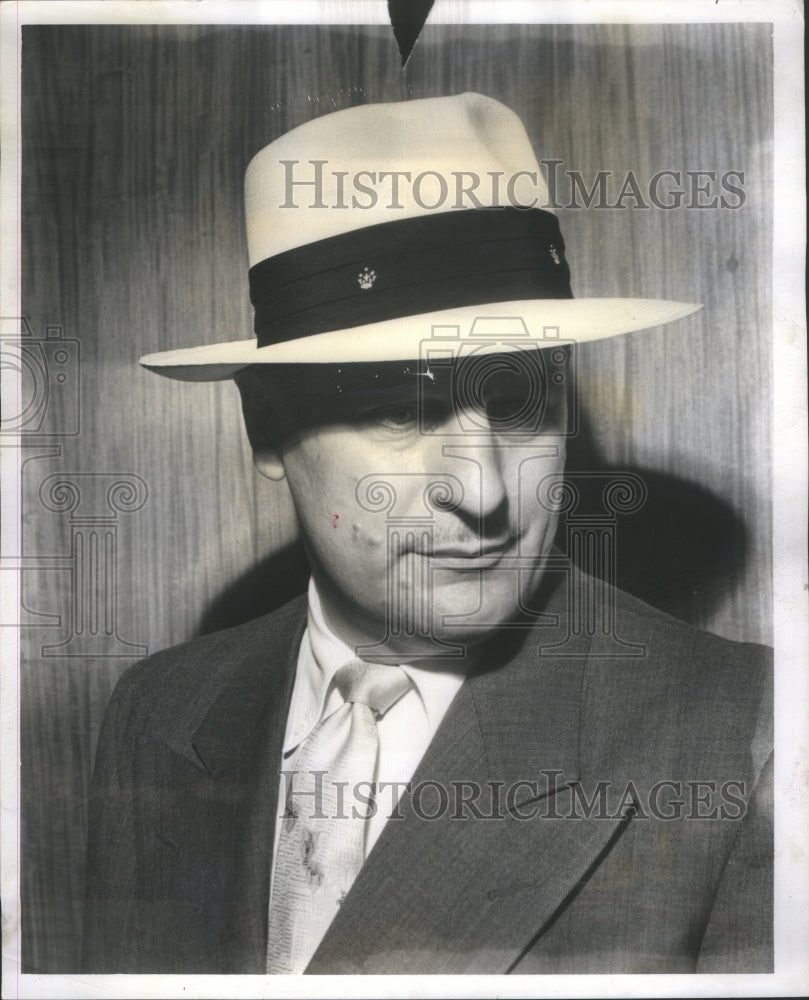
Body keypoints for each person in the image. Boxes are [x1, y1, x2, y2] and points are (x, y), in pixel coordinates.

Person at [82, 93, 772, 975]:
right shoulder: (157, 710)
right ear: (266, 429)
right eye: (399, 409)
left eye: (524, 405)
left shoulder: (743, 732)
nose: (482, 492)